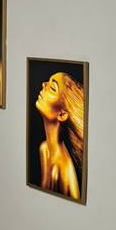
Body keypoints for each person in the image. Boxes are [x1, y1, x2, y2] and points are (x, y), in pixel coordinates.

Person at [35, 71, 84, 200]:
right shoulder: (44, 149)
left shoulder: (65, 168)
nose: (43, 84)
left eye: (52, 88)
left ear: (62, 114)